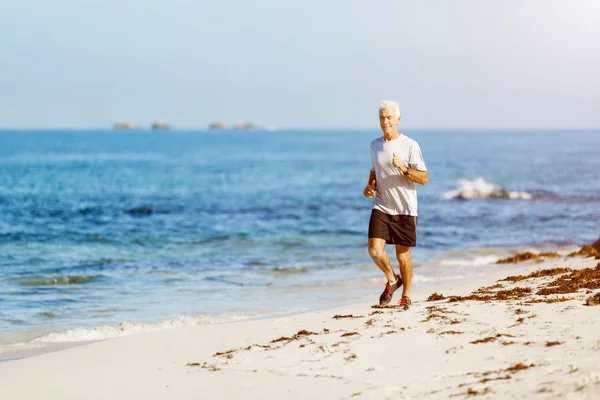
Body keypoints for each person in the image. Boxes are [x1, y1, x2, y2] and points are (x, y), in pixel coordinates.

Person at [363, 100, 428, 309]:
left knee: (402, 255)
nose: (385, 121)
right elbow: (374, 172)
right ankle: (392, 280)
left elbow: (424, 178)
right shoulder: (374, 145)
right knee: (374, 250)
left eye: (389, 117)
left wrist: (405, 169)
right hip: (382, 206)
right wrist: (369, 187)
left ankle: (406, 295)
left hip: (405, 208)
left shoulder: (410, 145)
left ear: (398, 119)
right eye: (382, 117)